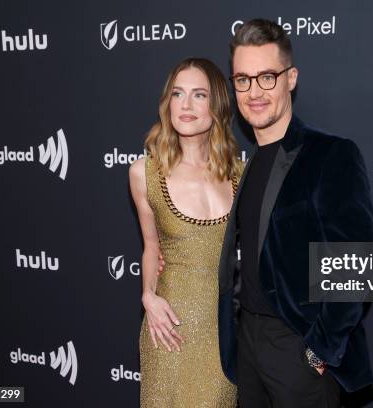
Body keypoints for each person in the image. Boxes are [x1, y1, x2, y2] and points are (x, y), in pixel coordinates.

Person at [217, 19, 373, 407]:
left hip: (298, 348)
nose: (254, 91)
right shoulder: (250, 164)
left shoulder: (330, 155)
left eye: (267, 77)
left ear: (291, 78)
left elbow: (357, 264)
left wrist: (319, 349)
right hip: (248, 344)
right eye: (243, 79)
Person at [129, 57, 242, 408]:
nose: (186, 105)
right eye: (177, 94)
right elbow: (150, 246)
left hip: (223, 330)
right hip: (170, 327)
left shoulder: (239, 173)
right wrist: (148, 296)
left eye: (198, 95)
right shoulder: (144, 172)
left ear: (217, 105)